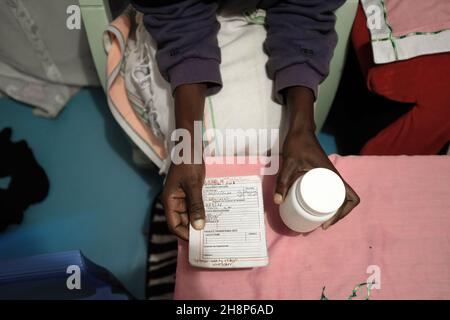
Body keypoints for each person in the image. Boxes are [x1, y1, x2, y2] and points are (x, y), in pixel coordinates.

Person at [131, 0, 360, 240]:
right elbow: (178, 18)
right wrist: (187, 145)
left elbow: (305, 11)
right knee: (215, 146)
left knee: (275, 149)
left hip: (280, 17)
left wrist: (302, 129)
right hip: (178, 21)